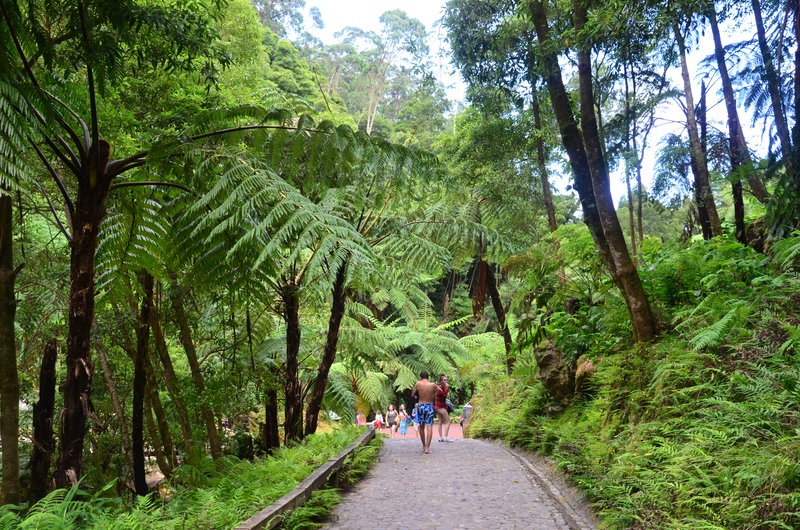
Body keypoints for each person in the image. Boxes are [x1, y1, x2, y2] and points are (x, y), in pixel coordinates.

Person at [411, 371, 438, 454]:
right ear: (428, 377)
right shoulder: (433, 385)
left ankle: (423, 445)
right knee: (429, 426)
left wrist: (416, 396)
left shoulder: (418, 384)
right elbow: (436, 395)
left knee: (421, 426)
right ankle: (427, 447)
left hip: (421, 406)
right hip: (429, 406)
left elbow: (412, 394)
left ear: (420, 377)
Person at [435, 374, 451, 442]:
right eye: (444, 380)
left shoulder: (443, 387)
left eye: (447, 380)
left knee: (440, 421)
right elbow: (443, 396)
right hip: (440, 406)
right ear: (441, 381)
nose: (446, 381)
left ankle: (441, 437)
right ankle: (445, 437)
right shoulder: (440, 388)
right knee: (448, 421)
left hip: (440, 406)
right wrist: (447, 389)